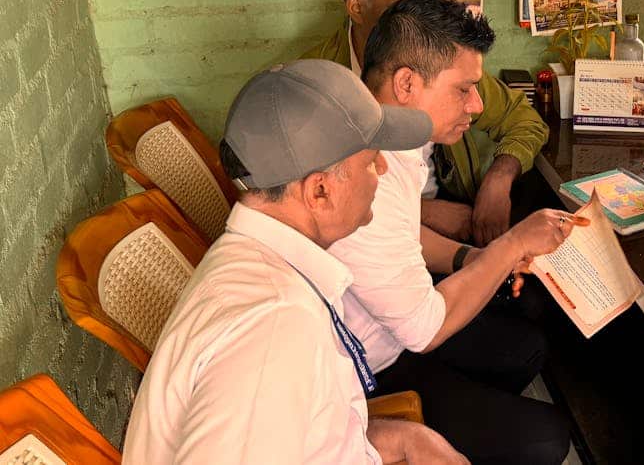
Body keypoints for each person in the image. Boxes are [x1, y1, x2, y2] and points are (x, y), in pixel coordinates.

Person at [124, 59, 467, 463]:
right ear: (320, 191)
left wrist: (405, 439)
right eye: (371, 159)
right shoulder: (274, 326)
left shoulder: (263, 266)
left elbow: (313, 437)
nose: (383, 167)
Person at [330, 0, 582, 465]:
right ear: (406, 83)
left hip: (390, 325)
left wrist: (472, 259)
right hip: (367, 367)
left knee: (527, 348)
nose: (477, 103)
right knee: (546, 439)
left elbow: (406, 237)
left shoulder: (394, 134)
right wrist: (511, 245)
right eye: (464, 89)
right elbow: (425, 330)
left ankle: (470, 414)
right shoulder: (364, 174)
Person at [302, 0, 549, 246]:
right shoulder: (311, 86)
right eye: (404, 9)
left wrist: (498, 180)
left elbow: (523, 120)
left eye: (427, 8)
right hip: (370, 241)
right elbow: (310, 201)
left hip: (456, 227)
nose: (421, 24)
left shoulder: (440, 60)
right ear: (356, 8)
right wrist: (424, 211)